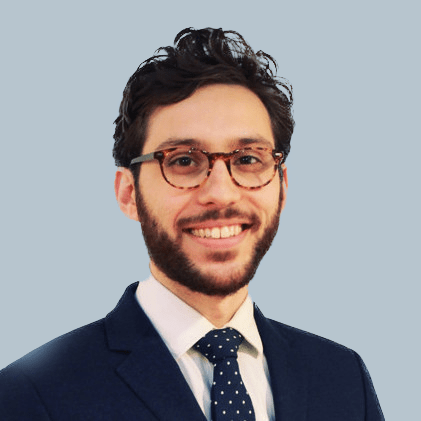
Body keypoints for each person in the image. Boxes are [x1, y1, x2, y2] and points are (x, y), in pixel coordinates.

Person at [0, 27, 384, 420]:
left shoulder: (343, 377)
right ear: (129, 193)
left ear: (282, 187)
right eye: (183, 161)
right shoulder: (32, 394)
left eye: (248, 159)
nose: (221, 193)